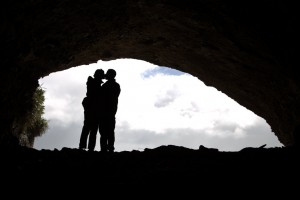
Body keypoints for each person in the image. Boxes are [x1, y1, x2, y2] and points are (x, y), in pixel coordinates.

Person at [79, 69, 104, 151]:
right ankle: (89, 147)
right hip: (93, 108)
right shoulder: (93, 82)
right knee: (91, 128)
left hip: (92, 107)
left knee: (88, 127)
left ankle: (85, 147)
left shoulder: (92, 81)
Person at [100, 69, 121, 153]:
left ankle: (104, 149)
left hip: (105, 111)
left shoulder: (106, 85)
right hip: (111, 111)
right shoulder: (116, 85)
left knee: (104, 131)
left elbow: (101, 97)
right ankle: (110, 147)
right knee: (110, 130)